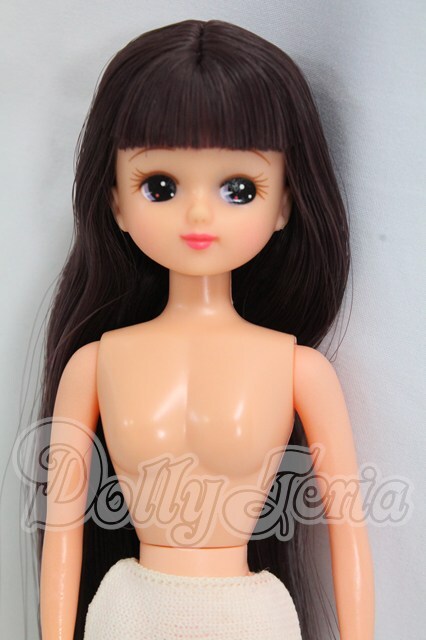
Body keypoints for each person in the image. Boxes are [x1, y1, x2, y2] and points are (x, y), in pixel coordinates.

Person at [36, 19, 374, 639]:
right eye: (160, 186)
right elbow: (62, 536)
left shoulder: (299, 371)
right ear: (115, 201)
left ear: (284, 205)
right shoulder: (95, 365)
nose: (197, 213)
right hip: (128, 617)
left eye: (238, 188)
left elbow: (348, 533)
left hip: (250, 621)